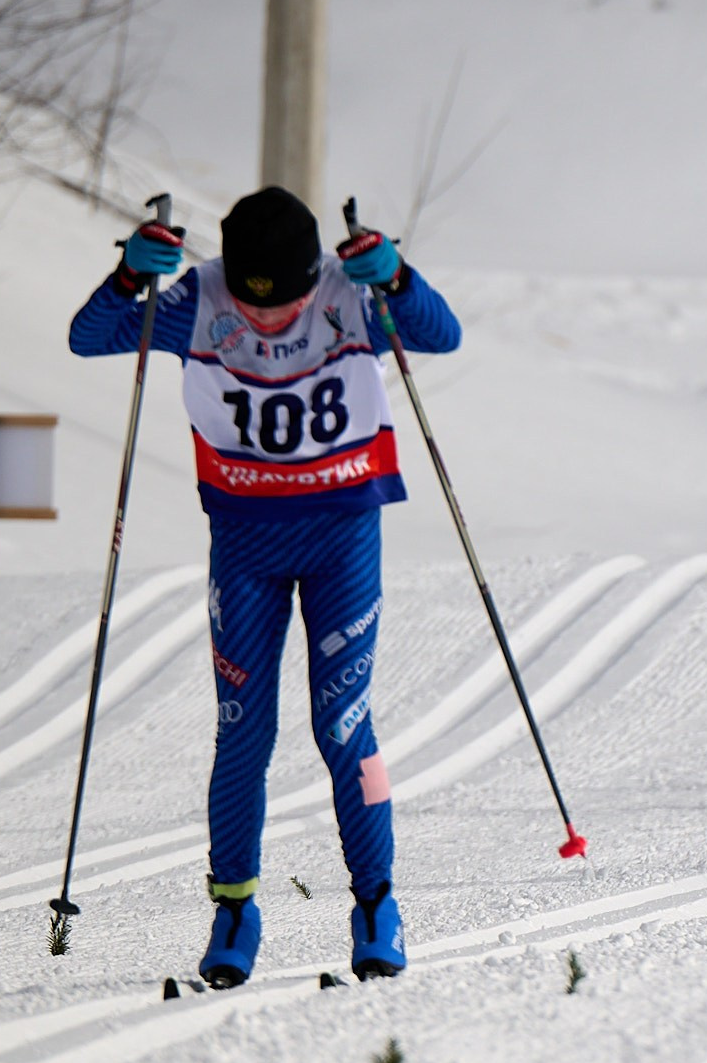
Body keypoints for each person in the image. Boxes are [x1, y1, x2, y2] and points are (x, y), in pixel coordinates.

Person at [67, 187, 461, 987]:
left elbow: (440, 335)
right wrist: (126, 277)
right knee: (242, 728)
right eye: (256, 306)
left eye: (286, 303)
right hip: (245, 542)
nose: (271, 322)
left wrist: (398, 276)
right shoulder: (197, 298)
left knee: (343, 723)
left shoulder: (350, 295)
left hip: (341, 536)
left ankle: (378, 902)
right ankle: (234, 908)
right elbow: (90, 338)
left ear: (312, 274)